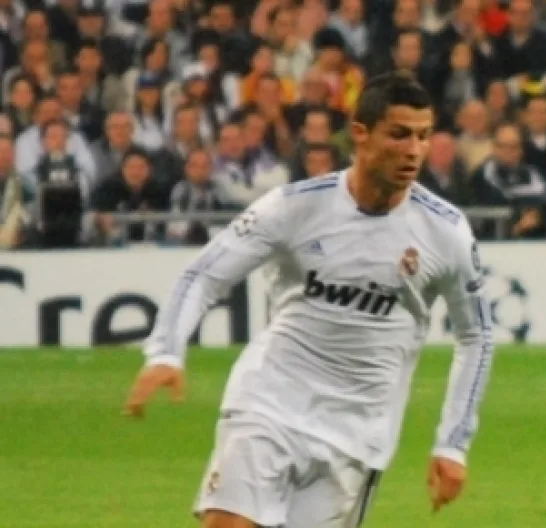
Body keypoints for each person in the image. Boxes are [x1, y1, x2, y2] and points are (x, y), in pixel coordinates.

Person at [122, 73, 495, 528]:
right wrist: (166, 352)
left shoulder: (446, 232)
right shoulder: (294, 207)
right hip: (269, 401)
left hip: (356, 434)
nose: (414, 150)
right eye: (399, 134)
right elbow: (204, 274)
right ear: (360, 133)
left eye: (423, 135)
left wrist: (453, 442)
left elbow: (476, 335)